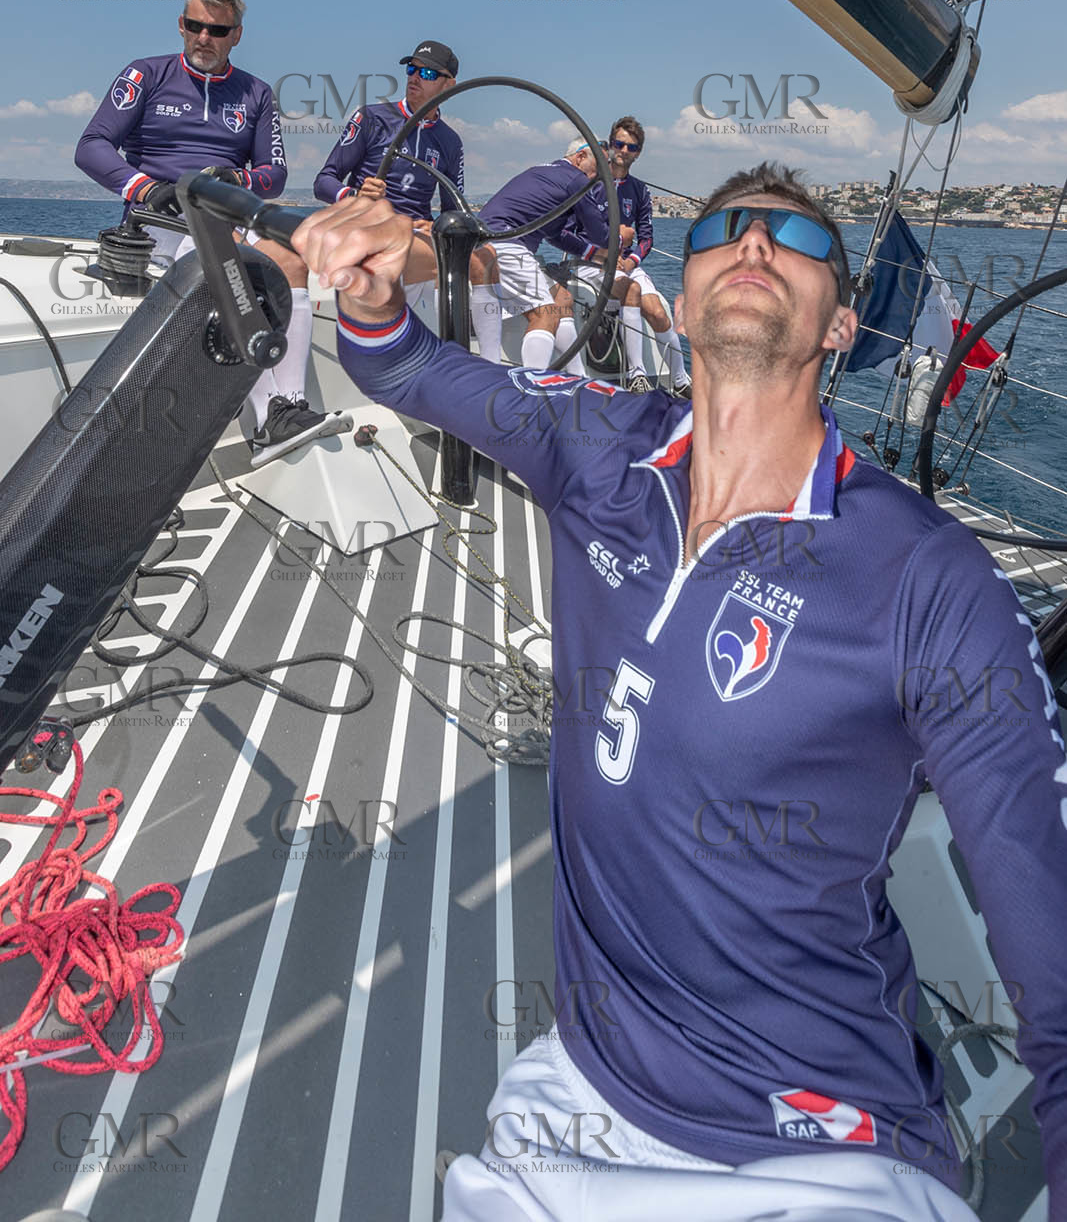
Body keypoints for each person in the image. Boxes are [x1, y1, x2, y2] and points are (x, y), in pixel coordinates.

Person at [291, 160, 1067, 1221]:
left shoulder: (928, 578)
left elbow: (1051, 955)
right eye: (724, 230)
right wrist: (373, 299)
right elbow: (408, 368)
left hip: (819, 1144)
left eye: (792, 240)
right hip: (577, 1091)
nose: (751, 244)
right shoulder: (600, 445)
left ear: (840, 326)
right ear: (683, 288)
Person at [74, 0, 345, 463]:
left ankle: (290, 406)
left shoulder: (256, 93)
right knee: (229, 262)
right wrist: (146, 188)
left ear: (235, 35)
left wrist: (234, 178)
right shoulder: (145, 74)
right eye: (195, 26)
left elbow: (274, 174)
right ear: (182, 25)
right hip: (160, 211)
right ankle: (266, 419)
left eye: (217, 30)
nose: (204, 37)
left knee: (291, 259)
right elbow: (92, 146)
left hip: (225, 208)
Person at [313, 39, 502, 361]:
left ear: (449, 85)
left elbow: (453, 207)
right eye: (411, 69)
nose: (414, 77)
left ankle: (491, 367)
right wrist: (355, 195)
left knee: (486, 258)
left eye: (427, 72)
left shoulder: (450, 142)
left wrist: (436, 224)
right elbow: (323, 182)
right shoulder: (372, 118)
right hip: (369, 225)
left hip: (415, 235)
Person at [569, 115, 691, 397]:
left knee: (659, 313)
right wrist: (600, 255)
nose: (624, 151)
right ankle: (636, 376)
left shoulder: (639, 191)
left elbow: (647, 237)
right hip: (592, 264)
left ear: (638, 153)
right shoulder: (590, 183)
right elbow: (570, 230)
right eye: (619, 144)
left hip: (626, 264)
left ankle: (681, 380)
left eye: (631, 147)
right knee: (632, 290)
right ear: (610, 145)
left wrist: (632, 260)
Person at [476, 136, 615, 373]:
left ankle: (577, 377)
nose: (601, 174)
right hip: (507, 246)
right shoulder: (577, 179)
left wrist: (590, 252)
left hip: (483, 245)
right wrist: (621, 238)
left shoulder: (543, 171)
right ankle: (533, 392)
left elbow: (553, 234)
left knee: (562, 300)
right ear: (580, 157)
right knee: (546, 314)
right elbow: (602, 235)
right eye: (599, 167)